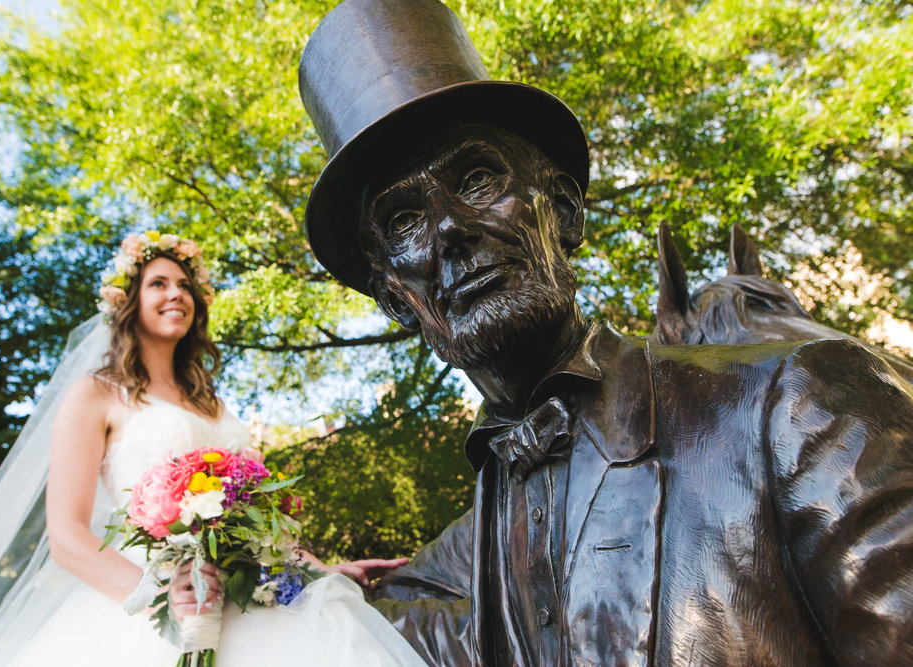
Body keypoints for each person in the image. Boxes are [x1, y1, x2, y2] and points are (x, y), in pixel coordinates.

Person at [296, 1, 913, 665]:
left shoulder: (794, 398)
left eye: (475, 178)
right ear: (398, 299)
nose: (448, 227)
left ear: (561, 210)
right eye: (404, 220)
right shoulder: (467, 551)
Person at [0, 230, 428, 667]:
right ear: (128, 300)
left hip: (250, 591)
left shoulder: (214, 405)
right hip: (152, 602)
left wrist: (321, 573)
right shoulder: (95, 394)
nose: (176, 293)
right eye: (158, 283)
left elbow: (260, 520)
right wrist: (161, 597)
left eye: (185, 285)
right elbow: (67, 536)